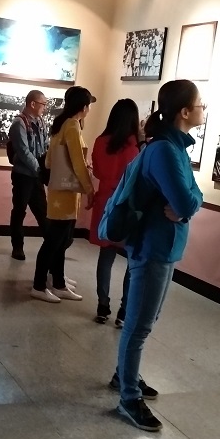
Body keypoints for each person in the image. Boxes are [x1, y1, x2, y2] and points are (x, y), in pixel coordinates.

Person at [112, 79, 204, 431]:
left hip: (165, 246)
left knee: (145, 321)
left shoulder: (175, 147)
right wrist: (186, 207)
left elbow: (195, 196)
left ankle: (124, 375)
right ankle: (128, 397)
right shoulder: (165, 150)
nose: (203, 110)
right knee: (138, 325)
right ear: (185, 111)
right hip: (152, 246)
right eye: (200, 105)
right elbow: (187, 201)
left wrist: (186, 207)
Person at [30, 86, 95, 303]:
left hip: (60, 191)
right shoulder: (73, 126)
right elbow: (78, 162)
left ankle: (58, 282)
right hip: (67, 193)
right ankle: (39, 285)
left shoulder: (61, 124)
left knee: (59, 240)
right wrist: (89, 188)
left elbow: (49, 161)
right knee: (54, 241)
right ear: (83, 107)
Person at [89, 99, 140, 325]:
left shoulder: (101, 142)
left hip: (105, 202)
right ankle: (124, 311)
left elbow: (98, 172)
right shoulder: (136, 147)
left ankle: (103, 306)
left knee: (106, 256)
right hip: (128, 205)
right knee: (131, 260)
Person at [8, 90, 49, 261]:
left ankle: (52, 244)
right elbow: (23, 151)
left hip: (36, 176)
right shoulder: (19, 123)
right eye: (43, 104)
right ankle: (17, 247)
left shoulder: (41, 122)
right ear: (33, 104)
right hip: (23, 175)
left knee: (43, 212)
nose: (45, 108)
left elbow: (45, 146)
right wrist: (39, 169)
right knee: (19, 211)